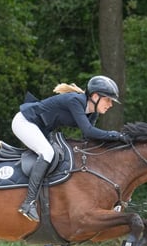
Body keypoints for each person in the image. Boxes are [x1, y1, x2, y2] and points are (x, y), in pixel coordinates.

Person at [12, 75, 130, 222]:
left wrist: (116, 146)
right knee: (47, 153)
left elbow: (89, 139)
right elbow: (88, 131)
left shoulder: (92, 112)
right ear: (95, 96)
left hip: (41, 129)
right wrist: (116, 135)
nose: (110, 104)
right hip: (25, 122)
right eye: (108, 99)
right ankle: (28, 203)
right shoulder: (75, 101)